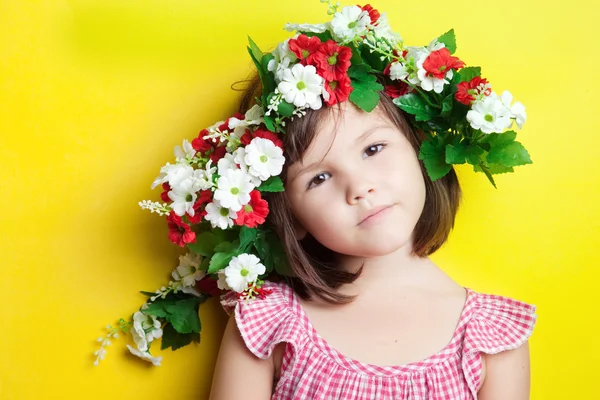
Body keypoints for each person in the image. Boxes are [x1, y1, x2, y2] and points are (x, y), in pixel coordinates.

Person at [207, 3, 537, 399]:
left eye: (373, 149)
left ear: (421, 148)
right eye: (320, 178)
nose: (359, 188)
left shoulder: (491, 338)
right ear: (289, 215)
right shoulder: (267, 321)